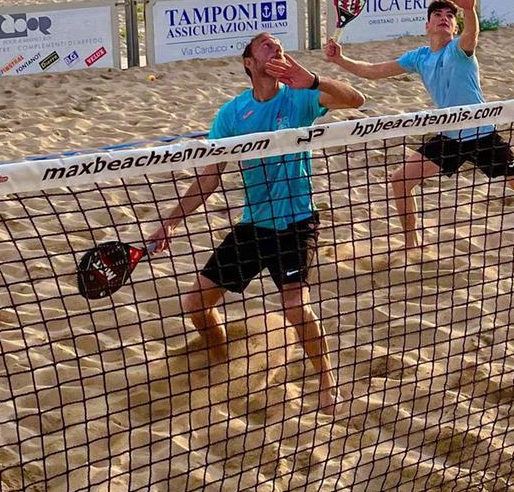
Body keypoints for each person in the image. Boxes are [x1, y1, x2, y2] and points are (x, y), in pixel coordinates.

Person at [148, 33, 364, 415]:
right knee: (196, 304)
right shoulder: (232, 114)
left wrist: (312, 79)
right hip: (254, 224)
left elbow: (355, 100)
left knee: (295, 306)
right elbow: (209, 177)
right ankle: (220, 356)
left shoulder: (298, 96)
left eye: (279, 46)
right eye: (266, 45)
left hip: (296, 221)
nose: (275, 48)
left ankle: (327, 378)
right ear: (248, 62)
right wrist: (170, 223)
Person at [325, 0, 514, 262]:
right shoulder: (419, 57)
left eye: (450, 16)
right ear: (427, 25)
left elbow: (473, 33)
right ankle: (412, 242)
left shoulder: (460, 49)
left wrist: (469, 10)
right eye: (437, 15)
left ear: (455, 27)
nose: (444, 19)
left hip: (482, 136)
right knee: (400, 182)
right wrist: (340, 60)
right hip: (449, 137)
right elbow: (374, 71)